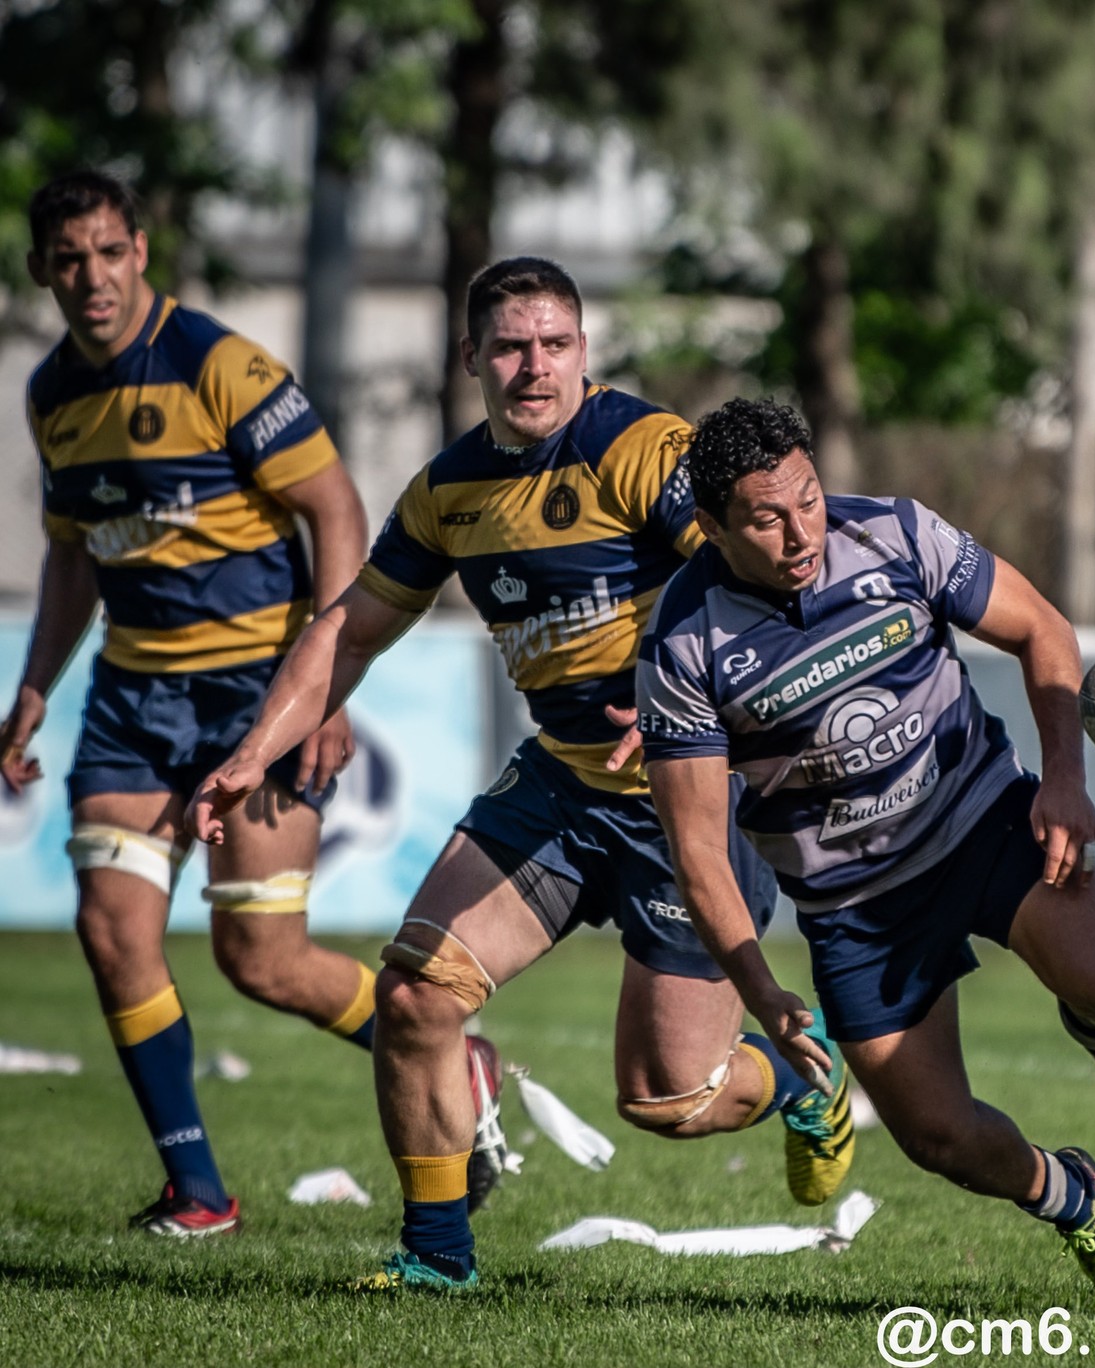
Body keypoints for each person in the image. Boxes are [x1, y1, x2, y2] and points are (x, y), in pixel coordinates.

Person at [187, 259, 851, 1292]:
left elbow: (739, 577)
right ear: (471, 360)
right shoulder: (451, 491)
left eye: (553, 343)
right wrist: (248, 756)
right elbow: (350, 630)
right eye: (508, 346)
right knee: (413, 998)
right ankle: (437, 1257)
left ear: (583, 352)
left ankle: (802, 1085)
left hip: (691, 805)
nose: (532, 365)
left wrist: (676, 695)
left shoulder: (645, 451)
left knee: (668, 1102)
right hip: (562, 788)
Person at [634, 398, 1095, 1311]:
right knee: (938, 1140)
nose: (799, 531)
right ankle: (1074, 1196)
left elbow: (1041, 629)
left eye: (807, 499)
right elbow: (697, 849)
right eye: (766, 519)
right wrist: (758, 988)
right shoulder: (684, 643)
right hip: (854, 908)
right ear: (711, 527)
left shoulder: (894, 533)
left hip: (981, 822)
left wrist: (1063, 781)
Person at [1, 170, 377, 1238]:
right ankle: (198, 1192)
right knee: (111, 931)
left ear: (140, 252)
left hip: (256, 693)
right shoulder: (50, 396)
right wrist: (34, 690)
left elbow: (336, 508)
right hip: (131, 700)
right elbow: (74, 556)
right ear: (42, 271)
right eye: (69, 259)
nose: (92, 277)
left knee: (262, 961)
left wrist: (329, 683)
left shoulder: (221, 364)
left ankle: (447, 1053)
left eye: (109, 251)